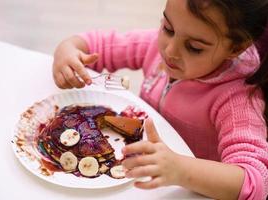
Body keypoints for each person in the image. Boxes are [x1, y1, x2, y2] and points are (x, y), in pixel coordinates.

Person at [52, 0, 268, 199]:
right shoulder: (159, 46)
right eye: (168, 28)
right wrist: (69, 51)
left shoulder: (237, 99)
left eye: (194, 47)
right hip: (135, 175)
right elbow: (96, 45)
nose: (170, 50)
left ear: (235, 48)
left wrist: (180, 169)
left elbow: (255, 183)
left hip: (184, 189)